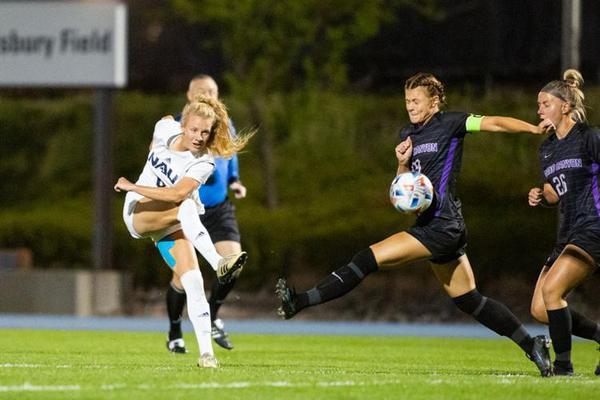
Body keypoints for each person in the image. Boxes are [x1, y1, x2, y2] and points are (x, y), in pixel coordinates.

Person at [276, 72, 553, 376]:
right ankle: (532, 344)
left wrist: (532, 128)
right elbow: (404, 195)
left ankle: (300, 301)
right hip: (433, 226)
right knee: (470, 300)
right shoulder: (408, 134)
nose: (410, 106)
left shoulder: (452, 123)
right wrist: (401, 163)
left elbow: (494, 123)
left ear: (434, 102)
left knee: (366, 259)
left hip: (442, 225)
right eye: (407, 100)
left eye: (416, 100)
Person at [114, 96, 251, 368]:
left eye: (205, 132)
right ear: (183, 125)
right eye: (194, 129)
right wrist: (136, 187)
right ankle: (219, 264)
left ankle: (207, 355)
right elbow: (163, 123)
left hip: (172, 220)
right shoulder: (165, 129)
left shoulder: (204, 162)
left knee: (194, 281)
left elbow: (177, 193)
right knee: (186, 207)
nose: (199, 137)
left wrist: (132, 184)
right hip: (139, 212)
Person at [165, 74, 247, 353]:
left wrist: (234, 180)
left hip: (218, 208)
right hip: (185, 209)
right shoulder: (178, 127)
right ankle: (175, 331)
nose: (208, 95)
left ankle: (211, 316)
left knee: (233, 263)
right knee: (183, 276)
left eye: (212, 91)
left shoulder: (224, 125)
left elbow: (230, 155)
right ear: (190, 95)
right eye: (202, 91)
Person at [527, 69, 600, 376]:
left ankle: (563, 366)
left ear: (565, 106)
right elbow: (554, 192)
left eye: (546, 104)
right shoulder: (547, 149)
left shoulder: (588, 137)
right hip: (568, 231)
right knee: (540, 309)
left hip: (593, 225)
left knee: (552, 290)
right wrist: (541, 195)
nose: (540, 109)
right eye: (539, 104)